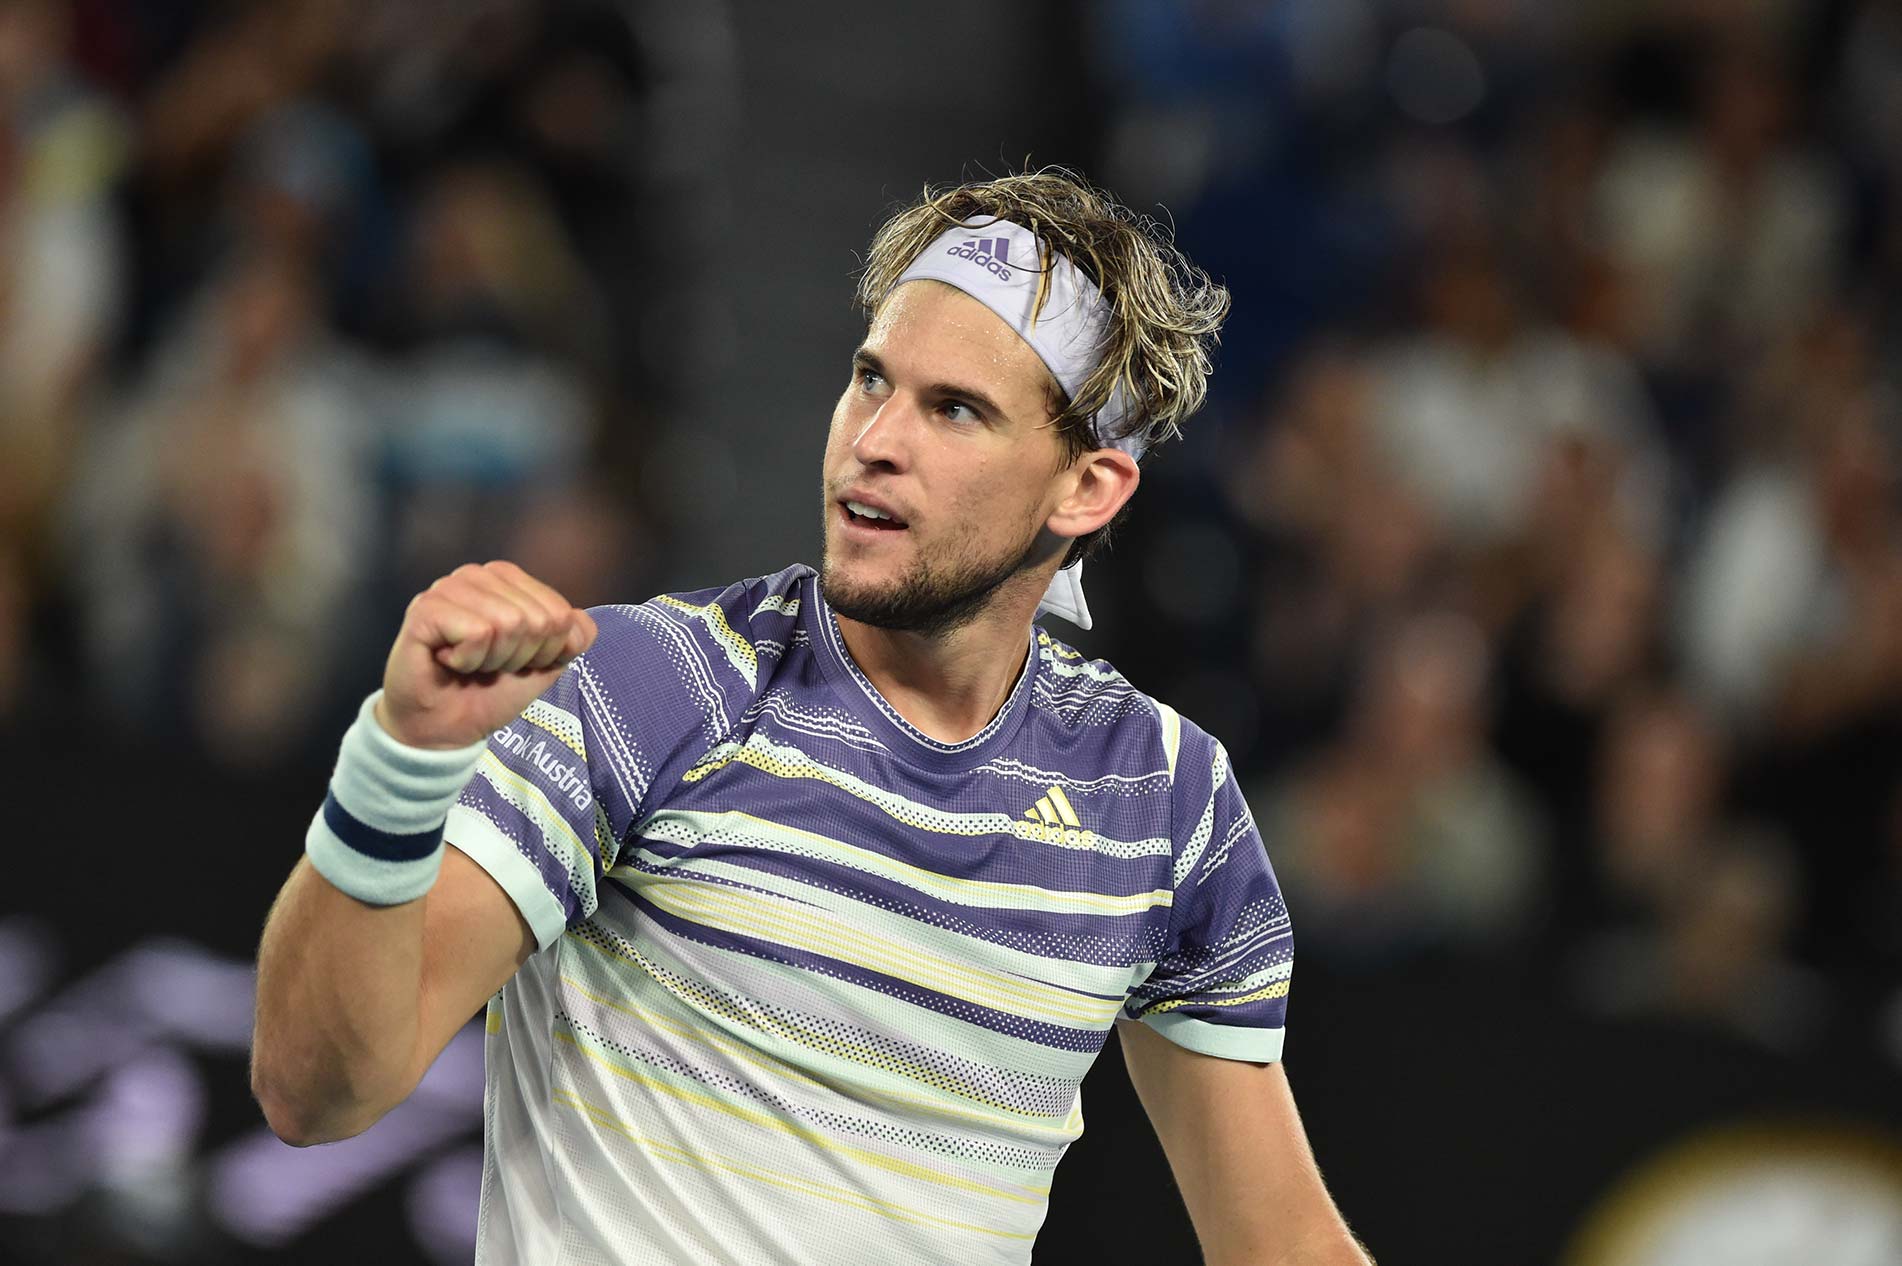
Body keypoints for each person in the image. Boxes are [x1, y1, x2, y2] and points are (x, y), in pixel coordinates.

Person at [251, 170, 1373, 1266]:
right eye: (871, 378)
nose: (875, 439)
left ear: (1085, 490)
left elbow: (1277, 1242)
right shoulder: (651, 687)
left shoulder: (1163, 794)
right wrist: (397, 761)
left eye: (955, 410)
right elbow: (315, 1091)